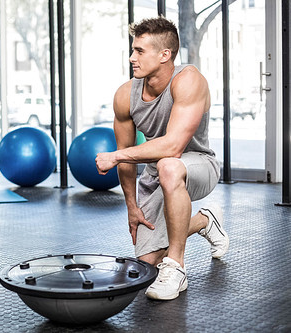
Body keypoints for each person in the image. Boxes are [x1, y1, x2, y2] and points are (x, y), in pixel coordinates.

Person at [95, 17, 229, 301]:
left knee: (169, 164)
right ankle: (205, 222)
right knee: (147, 259)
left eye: (140, 51)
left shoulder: (190, 80)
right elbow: (129, 162)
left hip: (198, 164)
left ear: (164, 54)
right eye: (133, 50)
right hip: (158, 173)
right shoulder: (124, 96)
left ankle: (177, 268)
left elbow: (174, 146)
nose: (132, 58)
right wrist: (131, 206)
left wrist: (116, 156)